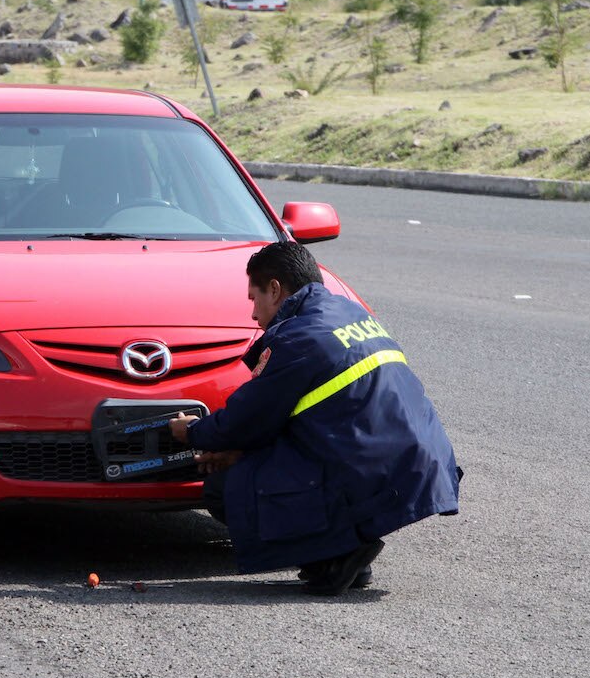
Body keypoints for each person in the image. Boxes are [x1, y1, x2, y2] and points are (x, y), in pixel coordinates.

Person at [169, 241, 461, 596]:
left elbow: (247, 419)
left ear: (275, 289)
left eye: (253, 298)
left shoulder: (297, 337)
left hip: (371, 468)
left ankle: (335, 559)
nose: (253, 314)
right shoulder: (351, 313)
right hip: (417, 461)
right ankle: (348, 552)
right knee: (270, 464)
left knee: (226, 487)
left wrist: (194, 432)